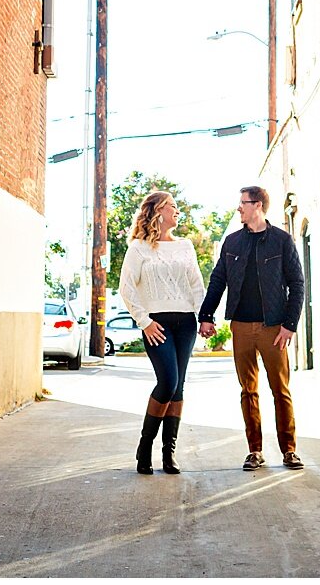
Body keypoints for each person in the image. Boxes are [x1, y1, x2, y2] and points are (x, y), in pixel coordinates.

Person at [199, 185, 305, 471]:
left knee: (280, 389)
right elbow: (218, 280)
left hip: (274, 328)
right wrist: (206, 315)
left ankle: (289, 450)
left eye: (243, 203)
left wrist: (289, 325)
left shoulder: (281, 241)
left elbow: (297, 284)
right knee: (248, 390)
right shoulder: (232, 242)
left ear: (257, 205)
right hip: (241, 327)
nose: (239, 209)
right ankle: (255, 451)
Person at [117, 190, 205, 474]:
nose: (177, 212)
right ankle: (145, 448)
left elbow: (196, 285)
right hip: (157, 324)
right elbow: (127, 287)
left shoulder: (185, 246)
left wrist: (204, 317)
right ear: (158, 211)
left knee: (178, 387)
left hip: (186, 323)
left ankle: (169, 453)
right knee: (167, 382)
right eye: (173, 207)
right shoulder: (138, 248)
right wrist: (144, 321)